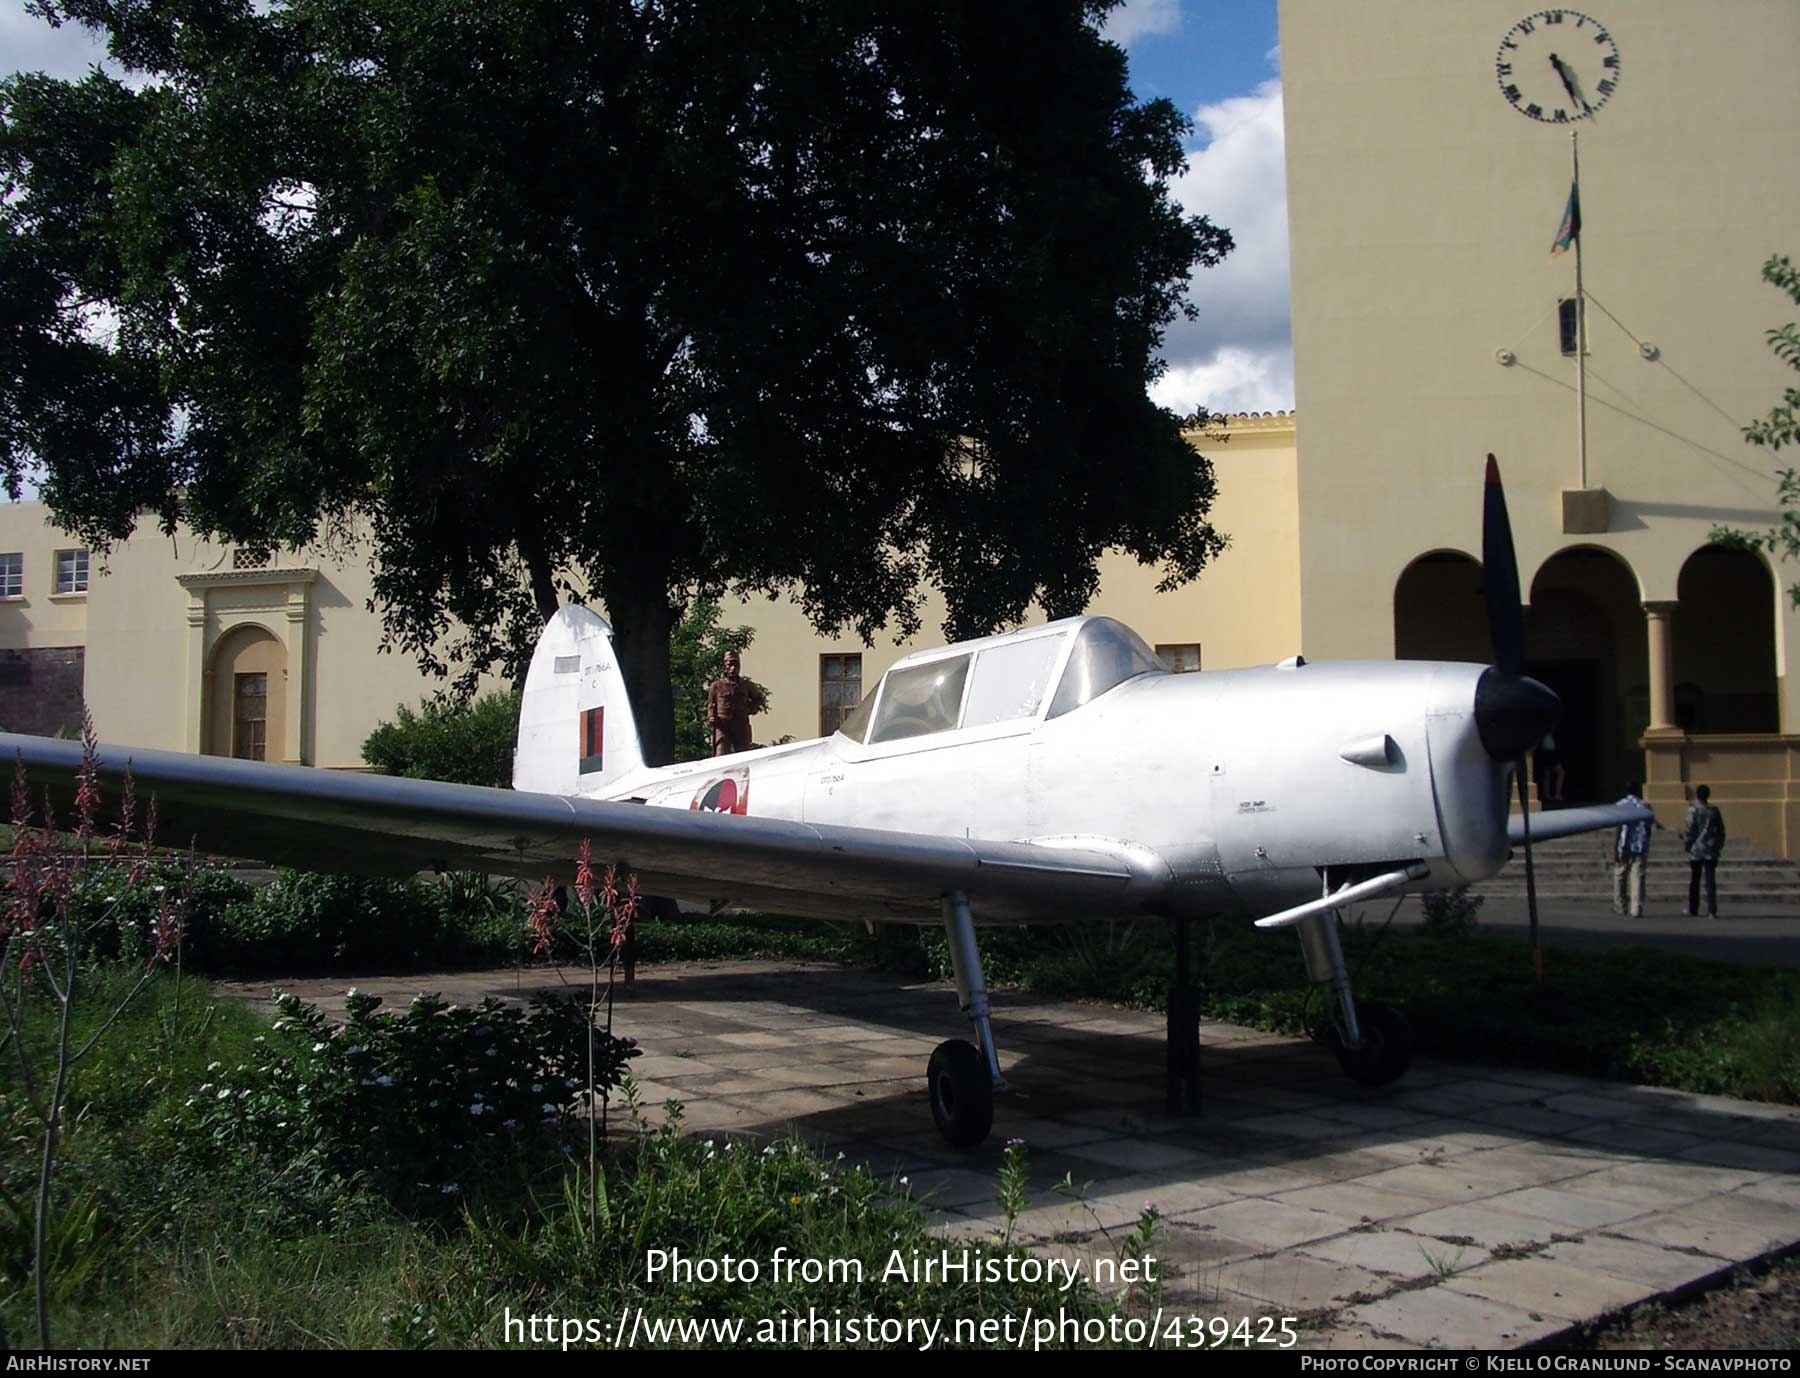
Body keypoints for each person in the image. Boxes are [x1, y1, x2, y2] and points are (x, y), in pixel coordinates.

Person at [1681, 784, 1726, 919]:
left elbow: (1689, 830)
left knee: (1695, 880)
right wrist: (1718, 846)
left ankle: (1693, 908)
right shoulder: (1714, 811)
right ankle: (1712, 910)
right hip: (1710, 849)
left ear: (1697, 795)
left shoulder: (1693, 810)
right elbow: (1721, 831)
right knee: (1710, 881)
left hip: (1696, 850)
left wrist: (1686, 844)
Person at [1613, 781, 1652, 918]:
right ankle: (1636, 908)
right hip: (1639, 845)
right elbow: (1648, 828)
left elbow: (1618, 827)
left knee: (1620, 876)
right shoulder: (1645, 806)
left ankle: (1620, 906)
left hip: (1624, 845)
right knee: (1637, 878)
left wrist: (1615, 847)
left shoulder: (1620, 805)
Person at [706, 650, 753, 756]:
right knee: (721, 756)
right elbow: (710, 705)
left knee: (744, 756)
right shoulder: (716, 686)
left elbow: (758, 698)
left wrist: (748, 709)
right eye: (730, 665)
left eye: (736, 665)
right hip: (723, 727)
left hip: (741, 726)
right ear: (725, 667)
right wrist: (711, 717)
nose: (733, 668)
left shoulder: (745, 685)